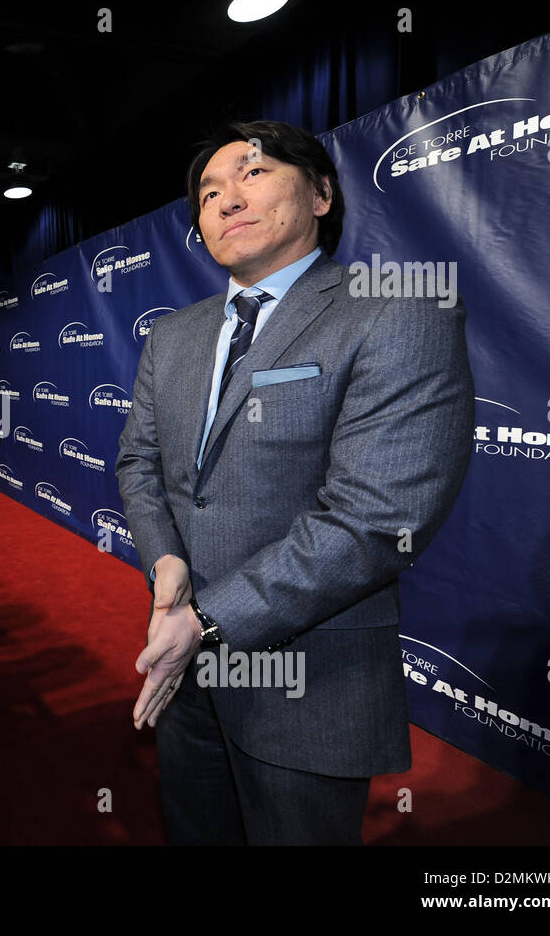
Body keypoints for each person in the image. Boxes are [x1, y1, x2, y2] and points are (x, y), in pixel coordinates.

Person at [115, 120, 474, 845]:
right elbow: (139, 463)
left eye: (251, 173)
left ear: (321, 194)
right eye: (208, 192)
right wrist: (166, 560)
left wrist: (209, 620)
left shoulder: (398, 309)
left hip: (311, 681)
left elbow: (375, 518)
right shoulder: (173, 335)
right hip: (182, 673)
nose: (224, 199)